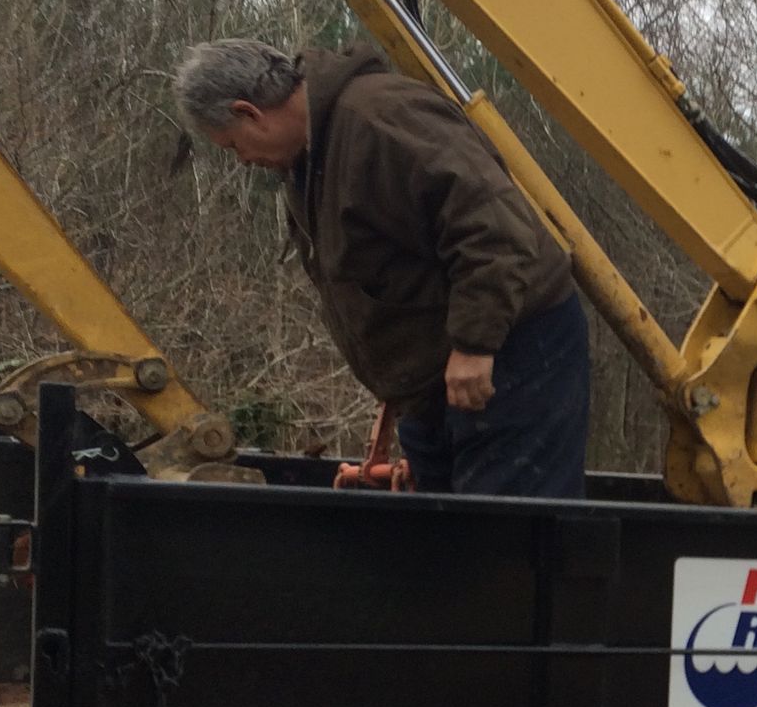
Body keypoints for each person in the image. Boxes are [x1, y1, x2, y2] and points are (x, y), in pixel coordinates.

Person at [173, 37, 589, 498]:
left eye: (234, 146)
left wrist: (475, 345)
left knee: (507, 542)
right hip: (434, 383)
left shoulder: (382, 118)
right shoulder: (309, 162)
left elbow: (495, 228)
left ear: (249, 111)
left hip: (512, 352)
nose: (244, 161)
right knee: (453, 543)